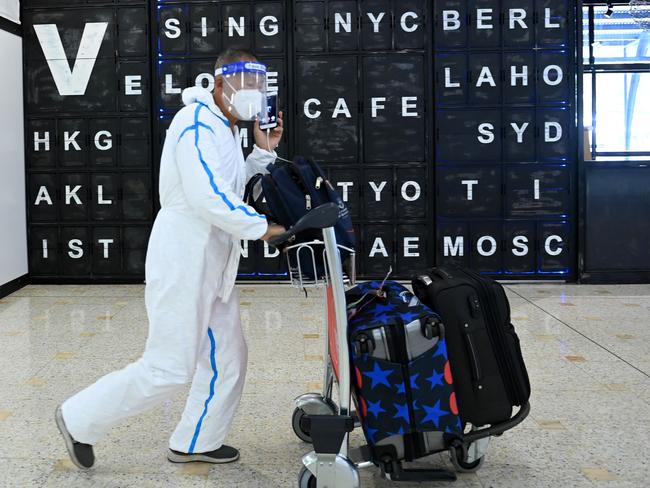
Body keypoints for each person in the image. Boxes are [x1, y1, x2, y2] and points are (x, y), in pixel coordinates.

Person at [55, 48, 286, 469]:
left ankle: (196, 439)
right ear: (220, 84)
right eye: (247, 85)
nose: (255, 94)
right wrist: (263, 229)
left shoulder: (225, 129)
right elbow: (206, 196)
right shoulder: (195, 123)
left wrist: (263, 151)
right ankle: (77, 418)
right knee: (169, 367)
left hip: (214, 261)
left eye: (260, 86)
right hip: (184, 257)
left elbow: (231, 190)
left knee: (227, 357)